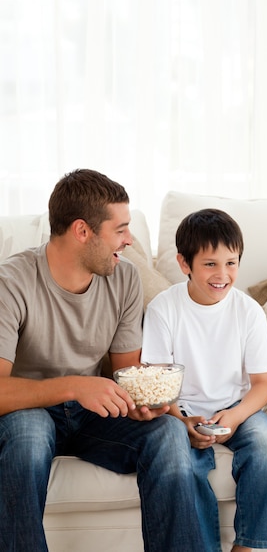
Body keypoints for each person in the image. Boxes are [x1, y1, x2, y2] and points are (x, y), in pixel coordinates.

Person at [0, 169, 205, 552]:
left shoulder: (124, 279)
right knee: (27, 438)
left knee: (167, 435)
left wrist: (150, 408)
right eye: (121, 229)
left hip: (93, 412)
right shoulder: (11, 282)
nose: (129, 241)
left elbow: (125, 373)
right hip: (30, 410)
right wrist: (76, 386)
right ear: (82, 231)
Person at [141, 208, 267, 552]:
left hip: (235, 407)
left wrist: (235, 417)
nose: (222, 274)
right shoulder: (164, 309)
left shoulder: (248, 310)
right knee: (184, 467)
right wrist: (182, 419)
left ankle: (248, 545)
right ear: (184, 264)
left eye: (231, 263)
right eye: (210, 264)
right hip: (182, 409)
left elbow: (262, 384)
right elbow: (157, 386)